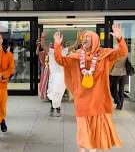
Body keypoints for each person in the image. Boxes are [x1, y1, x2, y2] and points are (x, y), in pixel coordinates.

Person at [53, 23, 127, 152]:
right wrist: (58, 45)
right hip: (82, 98)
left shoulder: (105, 55)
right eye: (84, 37)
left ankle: (92, 148)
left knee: (96, 127)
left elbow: (122, 52)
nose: (85, 38)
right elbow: (61, 61)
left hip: (99, 98)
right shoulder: (76, 56)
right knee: (82, 127)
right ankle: (82, 149)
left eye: (88, 36)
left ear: (95, 40)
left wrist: (120, 39)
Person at [41, 30, 82, 117]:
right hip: (53, 74)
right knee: (52, 92)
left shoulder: (64, 50)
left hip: (61, 74)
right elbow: (42, 46)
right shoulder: (51, 51)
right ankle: (54, 106)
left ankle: (56, 106)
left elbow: (75, 45)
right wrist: (43, 38)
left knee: (58, 91)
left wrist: (78, 37)